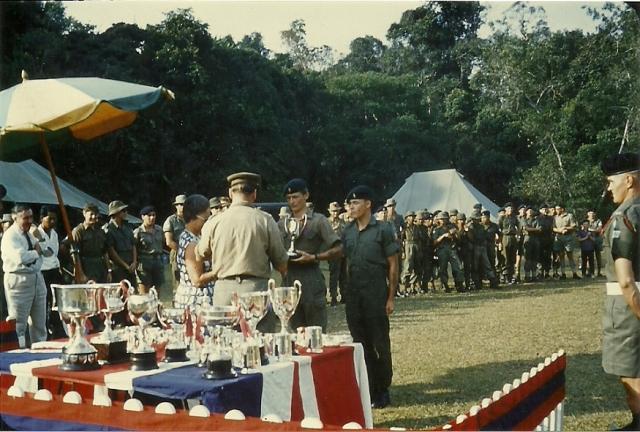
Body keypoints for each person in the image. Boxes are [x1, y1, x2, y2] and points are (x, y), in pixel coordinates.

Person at [196, 172, 288, 333]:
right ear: (254, 194)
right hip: (256, 291)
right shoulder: (265, 220)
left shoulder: (215, 221)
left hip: (224, 290)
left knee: (225, 346)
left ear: (230, 193)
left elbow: (201, 253)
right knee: (260, 345)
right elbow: (280, 260)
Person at [341, 185, 399, 409]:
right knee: (360, 344)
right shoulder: (348, 231)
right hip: (355, 296)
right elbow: (346, 262)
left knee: (379, 344)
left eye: (355, 203)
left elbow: (393, 264)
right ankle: (369, 388)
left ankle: (383, 389)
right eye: (349, 204)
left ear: (367, 205)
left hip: (376, 293)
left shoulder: (383, 229)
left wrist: (391, 297)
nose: (351, 207)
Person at [599, 152, 640, 431]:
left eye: (610, 181)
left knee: (631, 373)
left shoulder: (624, 216)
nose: (608, 187)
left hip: (628, 305)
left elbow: (625, 280)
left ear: (629, 180)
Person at [278, 179, 341, 331]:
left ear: (306, 195)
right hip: (288, 281)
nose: (292, 201)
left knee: (316, 333)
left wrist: (314, 257)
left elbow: (339, 248)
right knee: (293, 334)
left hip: (311, 280)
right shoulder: (282, 224)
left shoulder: (319, 221)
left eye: (295, 197)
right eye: (288, 198)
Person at [1, 205, 47, 347]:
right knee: (18, 324)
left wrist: (37, 252)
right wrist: (35, 253)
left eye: (31, 217)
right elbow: (21, 257)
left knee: (39, 323)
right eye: (25, 218)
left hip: (36, 277)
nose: (29, 221)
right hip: (18, 280)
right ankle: (18, 353)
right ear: (15, 218)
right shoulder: (10, 236)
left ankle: (42, 352)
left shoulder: (30, 234)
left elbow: (43, 251)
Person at [174, 195, 215, 309]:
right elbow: (197, 280)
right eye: (205, 220)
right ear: (193, 217)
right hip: (196, 302)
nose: (208, 223)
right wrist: (220, 271)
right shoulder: (191, 244)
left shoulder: (192, 236)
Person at [33, 206, 66, 339]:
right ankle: (45, 331)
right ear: (42, 218)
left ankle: (58, 329)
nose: (53, 221)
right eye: (50, 218)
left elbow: (54, 253)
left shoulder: (55, 234)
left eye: (55, 219)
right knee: (44, 303)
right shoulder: (34, 233)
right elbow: (45, 253)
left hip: (54, 271)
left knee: (57, 302)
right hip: (43, 272)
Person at [72, 203, 110, 284]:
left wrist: (109, 271)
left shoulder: (100, 231)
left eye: (95, 214)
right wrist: (81, 274)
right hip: (86, 267)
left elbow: (105, 252)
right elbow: (75, 254)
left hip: (100, 268)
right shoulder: (78, 231)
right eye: (91, 214)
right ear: (84, 214)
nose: (93, 217)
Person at [104, 200, 137, 286]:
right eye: (123, 211)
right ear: (116, 213)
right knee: (119, 293)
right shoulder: (108, 230)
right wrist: (126, 266)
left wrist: (134, 262)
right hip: (117, 268)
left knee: (132, 292)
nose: (126, 212)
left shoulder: (127, 227)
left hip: (131, 265)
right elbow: (111, 251)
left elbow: (133, 245)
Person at [134, 206, 165, 294]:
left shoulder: (159, 229)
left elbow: (162, 243)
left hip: (157, 261)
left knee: (157, 291)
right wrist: (135, 262)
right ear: (143, 217)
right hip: (144, 263)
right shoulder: (138, 232)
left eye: (153, 215)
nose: (152, 218)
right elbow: (134, 248)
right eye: (149, 215)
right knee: (144, 293)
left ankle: (157, 307)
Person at [431, 211, 464, 292]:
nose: (442, 221)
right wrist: (443, 236)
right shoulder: (437, 230)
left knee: (458, 267)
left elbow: (459, 239)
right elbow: (434, 242)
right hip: (442, 250)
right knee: (443, 268)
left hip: (452, 249)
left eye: (444, 219)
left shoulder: (452, 227)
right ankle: (445, 286)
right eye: (441, 219)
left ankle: (459, 285)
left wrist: (455, 233)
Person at [553, 204, 580, 280]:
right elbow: (553, 228)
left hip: (568, 238)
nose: (556, 210)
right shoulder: (555, 217)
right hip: (559, 238)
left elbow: (573, 226)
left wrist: (566, 228)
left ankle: (574, 273)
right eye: (556, 209)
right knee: (561, 256)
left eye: (558, 209)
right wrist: (560, 230)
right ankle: (563, 273)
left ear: (562, 209)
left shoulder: (569, 216)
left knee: (570, 255)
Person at [163, 194, 186, 285]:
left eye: (184, 204)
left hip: (192, 252)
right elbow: (169, 242)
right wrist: (183, 251)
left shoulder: (191, 219)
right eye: (180, 204)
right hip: (177, 252)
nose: (183, 206)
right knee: (178, 281)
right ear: (176, 206)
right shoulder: (171, 220)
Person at [327, 201, 346, 306]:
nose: (335, 213)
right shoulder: (327, 223)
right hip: (333, 252)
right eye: (333, 211)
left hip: (343, 252)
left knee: (344, 275)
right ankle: (333, 297)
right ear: (330, 211)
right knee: (334, 275)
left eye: (337, 211)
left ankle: (344, 295)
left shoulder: (343, 222)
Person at [497, 203, 520, 285]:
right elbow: (498, 229)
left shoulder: (514, 217)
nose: (510, 210)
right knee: (505, 257)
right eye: (508, 209)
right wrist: (499, 241)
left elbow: (519, 226)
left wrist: (518, 234)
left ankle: (511, 276)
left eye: (511, 209)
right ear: (505, 209)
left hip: (513, 237)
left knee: (512, 257)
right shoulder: (502, 218)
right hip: (505, 237)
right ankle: (506, 276)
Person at [586, 210, 604, 277]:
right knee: (589, 256)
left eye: (593, 213)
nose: (592, 215)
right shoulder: (586, 221)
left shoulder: (598, 221)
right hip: (589, 240)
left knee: (598, 256)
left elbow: (599, 229)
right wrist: (593, 231)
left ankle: (599, 272)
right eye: (590, 213)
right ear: (588, 214)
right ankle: (589, 272)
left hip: (597, 239)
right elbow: (584, 229)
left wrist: (590, 230)